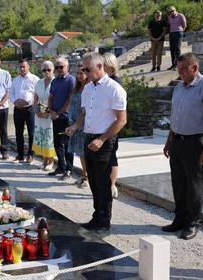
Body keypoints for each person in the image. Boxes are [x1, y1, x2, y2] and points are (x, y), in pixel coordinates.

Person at [162, 53, 203, 240]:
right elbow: (175, 117)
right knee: (178, 182)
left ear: (195, 68)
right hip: (177, 141)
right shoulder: (179, 87)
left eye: (183, 70)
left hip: (196, 142)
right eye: (178, 69)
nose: (180, 73)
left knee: (194, 185)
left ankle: (192, 223)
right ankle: (179, 219)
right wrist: (169, 141)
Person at [66, 53, 127, 231]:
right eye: (83, 69)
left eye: (88, 69)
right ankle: (96, 216)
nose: (84, 72)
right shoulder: (87, 88)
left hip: (104, 140)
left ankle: (104, 220)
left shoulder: (114, 88)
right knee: (92, 179)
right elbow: (84, 114)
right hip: (89, 137)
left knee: (103, 181)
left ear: (100, 67)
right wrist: (75, 126)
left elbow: (121, 120)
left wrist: (102, 139)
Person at [48, 56, 75, 180]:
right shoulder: (55, 81)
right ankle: (61, 166)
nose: (59, 69)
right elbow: (51, 97)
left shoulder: (71, 81)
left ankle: (69, 169)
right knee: (57, 143)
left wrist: (58, 112)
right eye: (57, 67)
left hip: (66, 117)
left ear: (67, 67)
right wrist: (51, 110)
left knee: (67, 144)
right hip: (56, 116)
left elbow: (70, 100)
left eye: (61, 67)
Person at [9, 59, 40, 163]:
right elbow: (11, 93)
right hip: (18, 109)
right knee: (18, 133)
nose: (22, 69)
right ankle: (20, 155)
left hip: (30, 109)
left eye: (24, 66)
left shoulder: (35, 79)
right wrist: (15, 102)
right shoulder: (15, 80)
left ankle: (30, 155)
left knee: (31, 133)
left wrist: (27, 102)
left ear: (28, 67)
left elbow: (37, 94)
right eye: (20, 67)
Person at [102, 52, 122, 198]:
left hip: (112, 126)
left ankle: (112, 184)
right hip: (103, 125)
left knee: (111, 156)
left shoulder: (115, 83)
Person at [33, 60, 56, 171]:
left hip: (49, 113)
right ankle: (44, 160)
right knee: (41, 136)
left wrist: (47, 112)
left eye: (48, 70)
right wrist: (36, 110)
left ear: (53, 70)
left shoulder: (55, 82)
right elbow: (36, 96)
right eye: (44, 70)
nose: (46, 72)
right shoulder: (39, 82)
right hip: (39, 112)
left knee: (49, 136)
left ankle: (50, 161)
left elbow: (56, 99)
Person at [68, 64, 89, 188]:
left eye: (81, 73)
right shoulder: (76, 88)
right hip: (75, 123)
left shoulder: (89, 88)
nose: (79, 76)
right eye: (77, 73)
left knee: (85, 152)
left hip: (85, 124)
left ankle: (88, 178)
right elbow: (72, 104)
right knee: (80, 153)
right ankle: (84, 175)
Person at [167, 6, 186, 70]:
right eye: (170, 12)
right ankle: (173, 65)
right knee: (172, 49)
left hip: (178, 33)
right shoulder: (169, 17)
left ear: (175, 10)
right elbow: (170, 25)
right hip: (172, 33)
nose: (171, 12)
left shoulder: (180, 16)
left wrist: (181, 31)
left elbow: (184, 25)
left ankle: (179, 65)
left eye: (172, 11)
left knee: (177, 49)